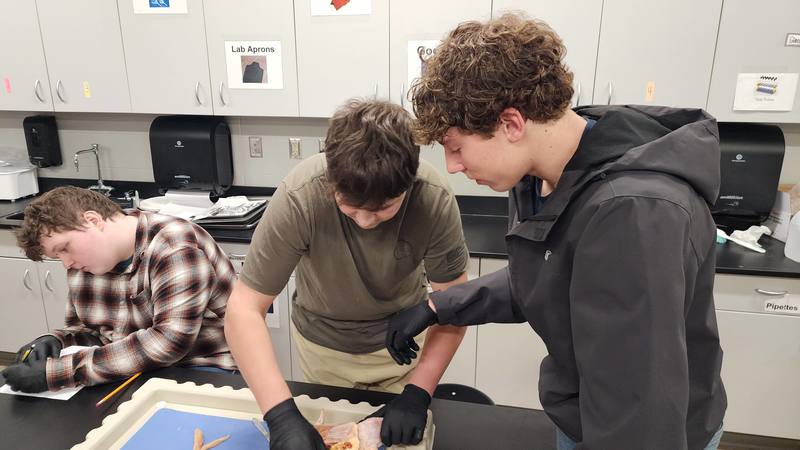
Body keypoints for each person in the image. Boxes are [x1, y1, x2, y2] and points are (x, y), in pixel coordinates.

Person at [385, 13, 727, 450]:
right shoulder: (544, 173)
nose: (452, 166)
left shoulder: (633, 213)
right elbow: (556, 273)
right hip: (582, 415)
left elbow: (641, 408)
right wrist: (440, 305)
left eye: (456, 147)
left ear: (511, 124)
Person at [224, 99, 469, 449]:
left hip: (402, 354)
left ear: (408, 184)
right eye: (350, 207)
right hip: (323, 352)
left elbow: (454, 305)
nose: (366, 222)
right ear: (331, 181)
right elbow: (244, 309)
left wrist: (419, 391)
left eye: (384, 208)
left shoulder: (432, 199)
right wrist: (280, 414)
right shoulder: (300, 196)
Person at [1, 186, 237, 393]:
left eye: (64, 248)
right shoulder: (84, 261)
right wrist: (56, 340)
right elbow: (91, 330)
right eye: (57, 255)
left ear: (93, 221)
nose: (66, 263)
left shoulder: (175, 245)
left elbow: (168, 343)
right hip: (128, 370)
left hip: (201, 371)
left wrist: (58, 372)